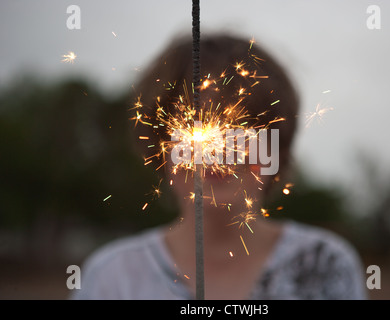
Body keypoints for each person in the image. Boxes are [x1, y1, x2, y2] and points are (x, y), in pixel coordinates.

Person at [72, 34, 367, 300]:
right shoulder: (111, 279)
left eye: (244, 129)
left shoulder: (326, 265)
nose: (220, 150)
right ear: (162, 150)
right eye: (194, 127)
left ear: (275, 151)